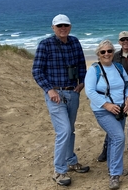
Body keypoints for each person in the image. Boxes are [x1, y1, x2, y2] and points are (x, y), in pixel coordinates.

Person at [32, 14, 90, 186]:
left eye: (65, 25)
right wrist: (49, 90)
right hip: (55, 94)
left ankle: (71, 161)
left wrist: (82, 83)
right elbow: (36, 71)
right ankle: (59, 170)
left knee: (70, 130)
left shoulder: (74, 42)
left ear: (70, 26)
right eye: (59, 26)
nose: (63, 28)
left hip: (72, 92)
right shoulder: (45, 44)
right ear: (53, 28)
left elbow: (81, 64)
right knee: (63, 130)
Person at [85, 40, 128, 190]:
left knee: (114, 139)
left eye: (109, 51)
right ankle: (114, 174)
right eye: (103, 52)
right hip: (102, 110)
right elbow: (90, 91)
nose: (107, 54)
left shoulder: (118, 67)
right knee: (119, 137)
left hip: (120, 109)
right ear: (98, 54)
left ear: (113, 52)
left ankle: (114, 168)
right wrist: (107, 105)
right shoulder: (94, 70)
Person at [97, 31, 128, 162]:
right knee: (114, 120)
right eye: (123, 40)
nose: (125, 41)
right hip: (117, 94)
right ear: (119, 42)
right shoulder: (114, 56)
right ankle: (106, 149)